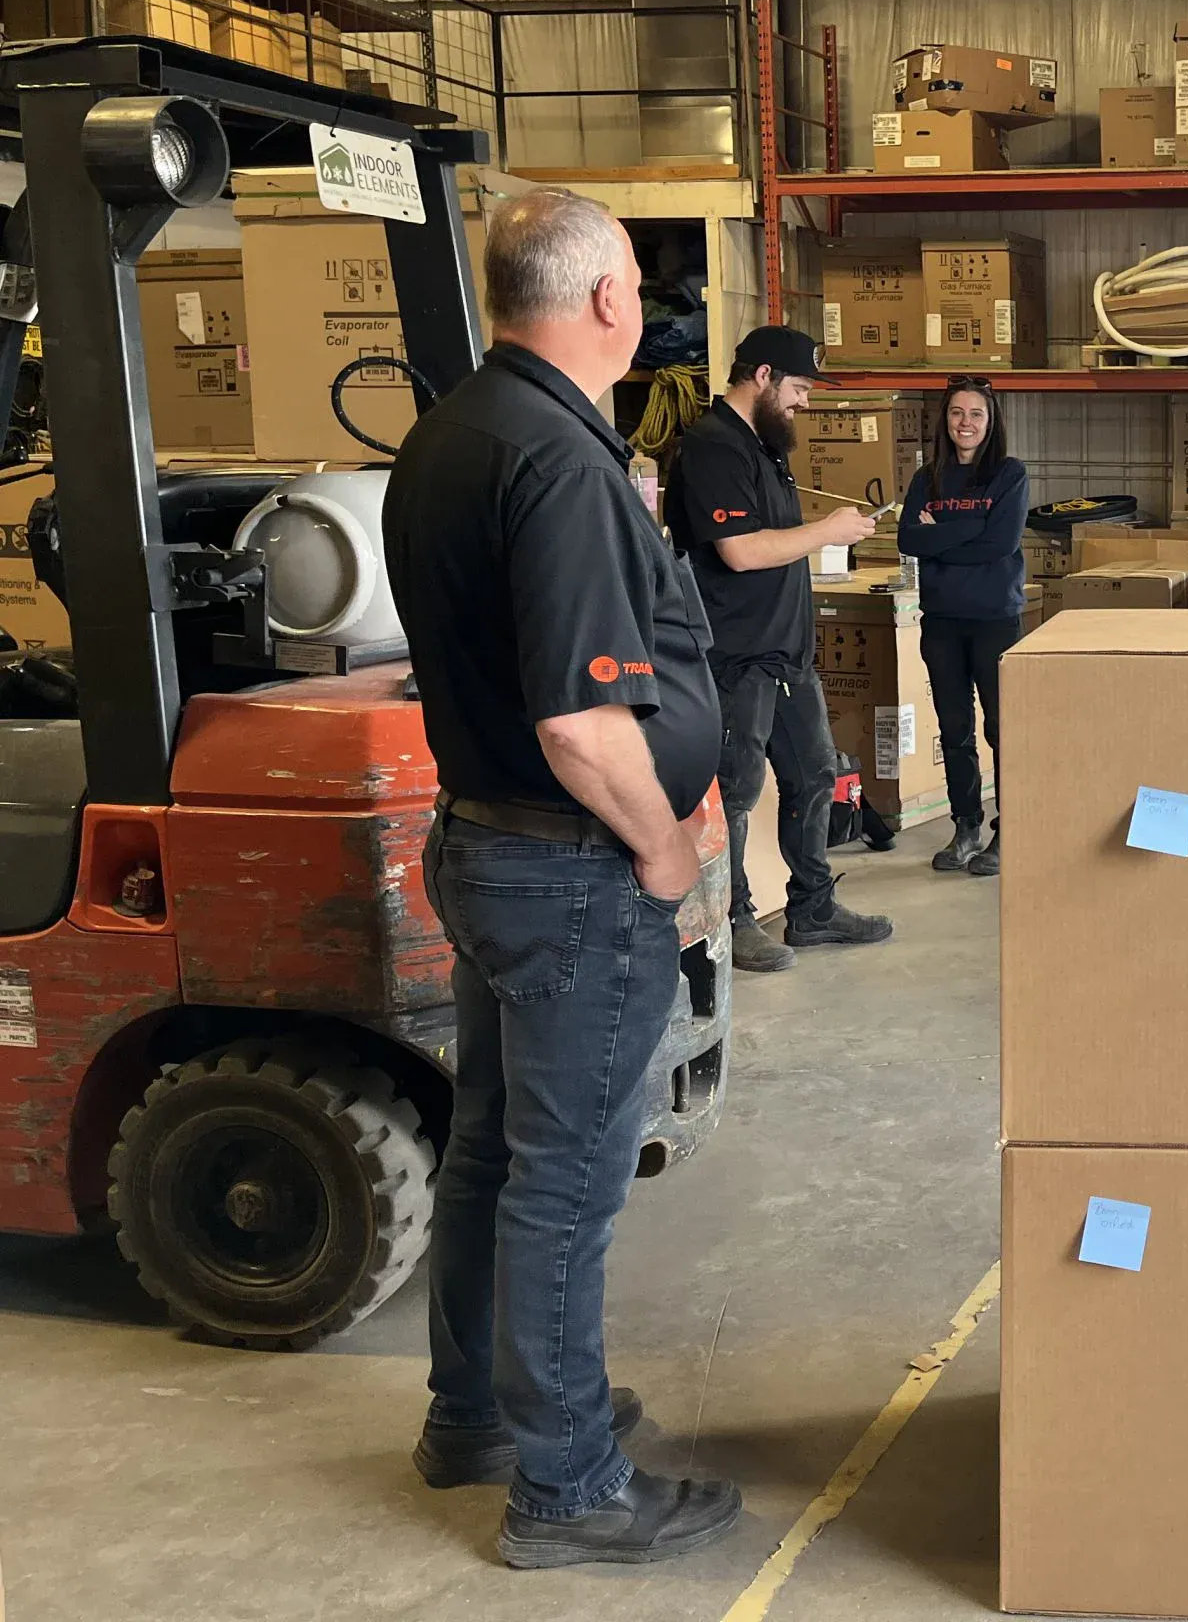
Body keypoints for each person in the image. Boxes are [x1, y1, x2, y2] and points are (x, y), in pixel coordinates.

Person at [382, 187, 741, 1567]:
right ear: (603, 299)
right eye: (637, 282)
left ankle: (478, 1414)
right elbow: (583, 725)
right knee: (565, 1179)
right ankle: (569, 1485)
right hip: (569, 870)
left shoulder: (457, 430)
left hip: (485, 848)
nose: (640, 304)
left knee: (492, 1149)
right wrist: (664, 847)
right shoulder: (562, 461)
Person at [665, 323, 892, 973]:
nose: (806, 402)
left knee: (815, 773)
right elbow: (739, 553)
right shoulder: (713, 447)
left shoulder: (763, 446)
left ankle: (813, 907)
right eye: (798, 388)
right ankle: (730, 923)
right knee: (735, 793)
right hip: (737, 657)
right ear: (762, 377)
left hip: (786, 654)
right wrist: (830, 530)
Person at [899, 377, 1028, 878]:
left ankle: (1008, 832)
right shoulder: (926, 479)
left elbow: (1000, 544)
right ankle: (965, 827)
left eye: (976, 413)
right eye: (957, 413)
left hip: (995, 618)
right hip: (943, 623)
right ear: (945, 421)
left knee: (1002, 731)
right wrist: (972, 529)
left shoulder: (1009, 475)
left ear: (990, 421)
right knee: (955, 731)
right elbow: (909, 540)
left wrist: (943, 536)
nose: (966, 423)